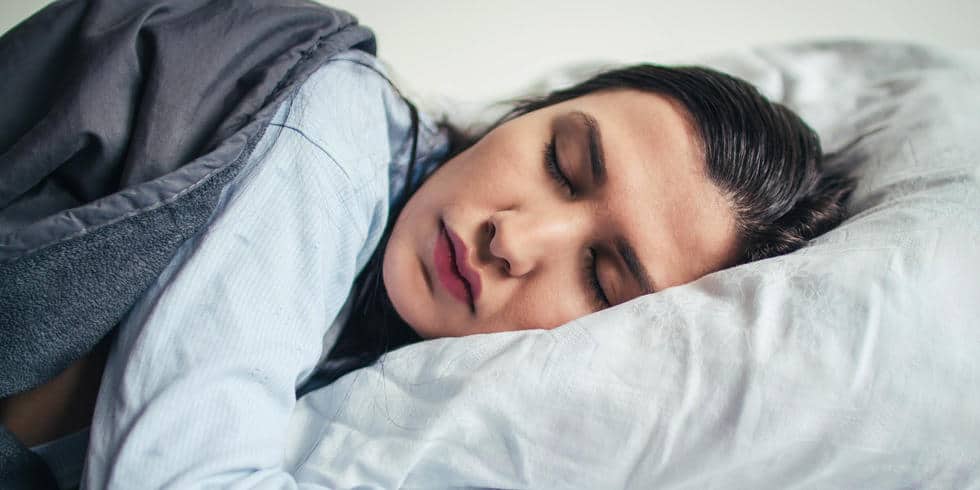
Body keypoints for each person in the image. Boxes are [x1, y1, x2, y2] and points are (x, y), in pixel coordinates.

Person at [2, 42, 853, 490]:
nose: (514, 240)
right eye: (560, 162)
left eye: (602, 277)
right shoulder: (338, 130)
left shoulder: (427, 382)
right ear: (535, 111)